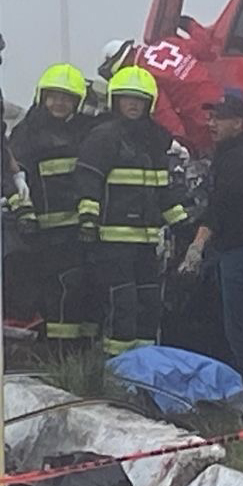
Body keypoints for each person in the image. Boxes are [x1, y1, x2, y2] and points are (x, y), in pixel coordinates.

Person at [76, 66, 189, 356]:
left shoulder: (154, 140)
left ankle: (144, 366)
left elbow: (162, 190)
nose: (133, 105)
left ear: (149, 103)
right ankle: (116, 370)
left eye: (139, 99)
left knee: (149, 302)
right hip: (112, 241)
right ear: (115, 100)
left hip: (146, 242)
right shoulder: (104, 136)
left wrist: (181, 224)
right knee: (121, 303)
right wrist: (88, 218)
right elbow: (89, 178)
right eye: (127, 98)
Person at [179, 94, 243, 385]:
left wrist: (196, 247)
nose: (212, 123)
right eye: (210, 117)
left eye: (219, 118)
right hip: (240, 250)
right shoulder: (230, 153)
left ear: (238, 123)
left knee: (240, 328)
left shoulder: (239, 158)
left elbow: (220, 207)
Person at [5, 63, 99, 343]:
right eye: (53, 96)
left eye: (66, 97)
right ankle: (60, 354)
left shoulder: (87, 133)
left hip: (82, 230)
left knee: (86, 289)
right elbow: (15, 175)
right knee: (59, 290)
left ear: (77, 102)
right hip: (45, 233)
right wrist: (24, 212)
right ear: (42, 97)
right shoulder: (28, 132)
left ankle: (84, 352)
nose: (59, 103)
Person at [100, 16, 223, 156]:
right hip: (220, 99)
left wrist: (182, 144)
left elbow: (165, 113)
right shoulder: (168, 43)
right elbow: (204, 46)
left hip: (200, 121)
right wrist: (190, 24)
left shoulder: (144, 77)